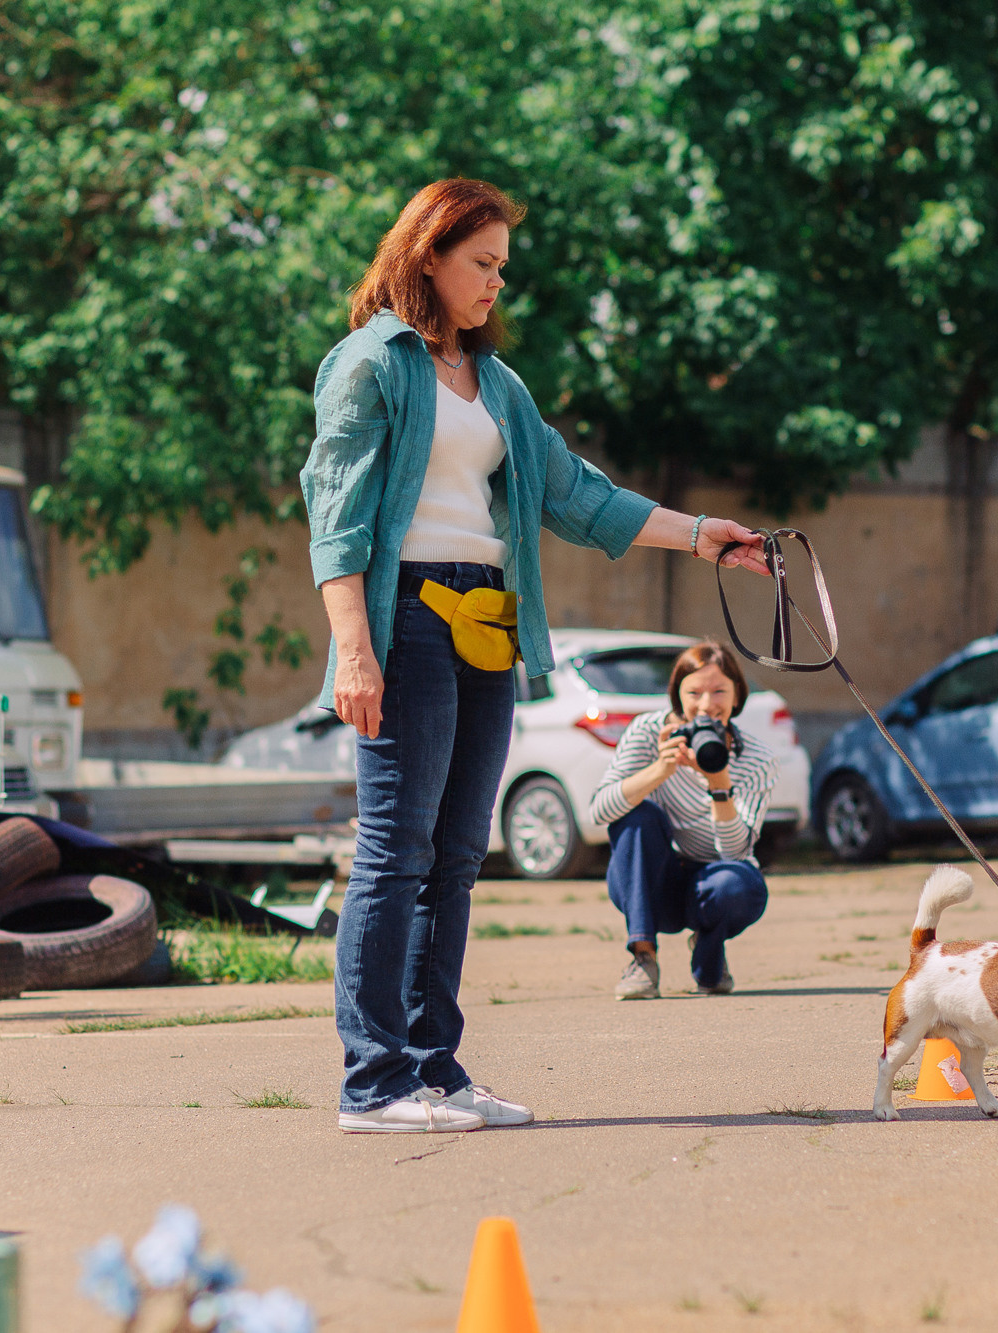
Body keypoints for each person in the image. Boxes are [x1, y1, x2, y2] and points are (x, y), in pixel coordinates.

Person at [303, 179, 770, 1134]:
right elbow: (335, 519)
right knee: (397, 854)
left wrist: (700, 535)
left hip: (490, 622)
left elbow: (578, 495)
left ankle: (436, 1067)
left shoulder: (498, 385)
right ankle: (374, 1083)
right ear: (427, 254)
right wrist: (355, 650)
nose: (494, 284)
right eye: (482, 263)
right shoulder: (371, 364)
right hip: (407, 619)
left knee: (461, 858)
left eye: (502, 267)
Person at [588, 641, 778, 1000]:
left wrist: (719, 783)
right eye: (695, 693)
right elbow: (599, 811)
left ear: (737, 697)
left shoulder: (756, 759)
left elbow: (736, 853)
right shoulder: (648, 732)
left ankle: (709, 954)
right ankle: (642, 957)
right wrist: (660, 770)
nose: (707, 705)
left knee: (739, 885)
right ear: (677, 696)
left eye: (720, 691)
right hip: (651, 881)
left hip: (712, 882)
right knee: (637, 814)